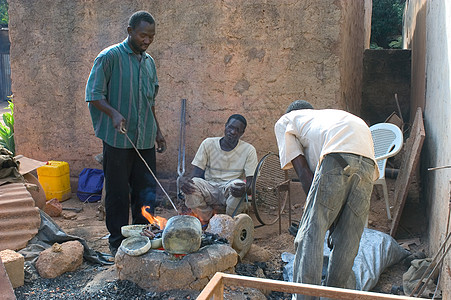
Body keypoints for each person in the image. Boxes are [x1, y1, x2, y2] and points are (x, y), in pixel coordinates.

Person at [274, 100, 379, 299]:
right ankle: (336, 295)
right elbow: (331, 190)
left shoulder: (287, 120)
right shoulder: (324, 119)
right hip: (367, 159)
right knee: (348, 236)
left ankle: (307, 296)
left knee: (310, 234)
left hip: (338, 153)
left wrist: (318, 218)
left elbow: (305, 175)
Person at [85, 11, 166, 256]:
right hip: (119, 139)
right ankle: (117, 241)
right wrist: (113, 113)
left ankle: (143, 236)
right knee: (118, 192)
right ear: (129, 31)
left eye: (151, 36)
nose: (147, 40)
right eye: (143, 35)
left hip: (145, 139)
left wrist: (158, 131)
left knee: (146, 190)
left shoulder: (149, 62)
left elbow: (150, 101)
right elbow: (94, 94)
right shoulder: (109, 57)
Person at [181, 114, 258, 227]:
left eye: (237, 130)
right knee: (193, 185)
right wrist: (186, 183)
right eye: (230, 127)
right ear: (225, 127)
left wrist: (245, 189)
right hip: (210, 186)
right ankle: (208, 220)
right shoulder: (208, 143)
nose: (232, 132)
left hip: (230, 188)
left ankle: (227, 223)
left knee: (238, 184)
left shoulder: (248, 150)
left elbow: (252, 184)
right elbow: (195, 174)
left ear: (242, 133)